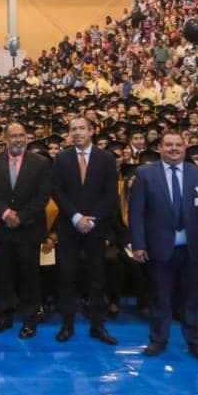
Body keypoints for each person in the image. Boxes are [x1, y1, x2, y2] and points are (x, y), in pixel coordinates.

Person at [130, 130, 198, 362]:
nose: (173, 149)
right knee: (160, 298)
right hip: (159, 248)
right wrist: (138, 244)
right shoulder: (144, 174)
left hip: (193, 250)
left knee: (193, 299)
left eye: (178, 145)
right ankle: (158, 339)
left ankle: (196, 343)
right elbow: (137, 213)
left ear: (185, 147)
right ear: (160, 147)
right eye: (168, 145)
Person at [51, 115, 119, 345]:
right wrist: (76, 217)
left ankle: (97, 326)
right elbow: (57, 191)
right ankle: (67, 325)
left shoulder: (106, 159)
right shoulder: (61, 158)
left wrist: (93, 219)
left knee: (97, 278)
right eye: (73, 129)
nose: (77, 132)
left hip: (96, 228)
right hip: (69, 227)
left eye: (82, 128)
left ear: (92, 131)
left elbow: (111, 194)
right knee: (67, 277)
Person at [0, 120, 52, 338]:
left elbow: (42, 196)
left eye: (22, 135)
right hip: (2, 229)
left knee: (30, 277)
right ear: (4, 138)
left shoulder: (40, 163)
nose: (18, 139)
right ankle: (3, 317)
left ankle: (30, 320)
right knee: (4, 275)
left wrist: (20, 217)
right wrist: (5, 213)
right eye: (13, 135)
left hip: (29, 229)